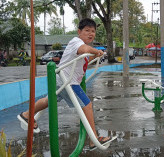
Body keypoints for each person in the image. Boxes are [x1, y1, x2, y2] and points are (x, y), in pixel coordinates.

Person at [17, 18, 111, 149]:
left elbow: (84, 57)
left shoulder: (80, 46)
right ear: (79, 31)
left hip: (61, 80)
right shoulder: (77, 42)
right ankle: (93, 139)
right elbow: (84, 49)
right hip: (68, 82)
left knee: (48, 101)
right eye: (87, 30)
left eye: (93, 31)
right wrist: (96, 51)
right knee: (87, 105)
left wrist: (95, 56)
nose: (91, 33)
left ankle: (26, 114)